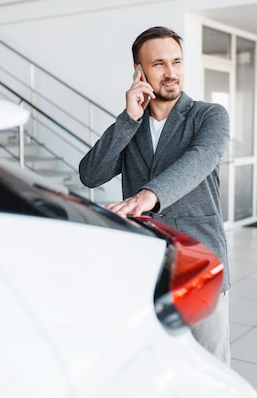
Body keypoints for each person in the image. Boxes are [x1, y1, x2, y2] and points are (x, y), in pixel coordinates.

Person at [78, 26, 231, 365]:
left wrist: (149, 195)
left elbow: (200, 159)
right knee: (156, 362)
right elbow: (90, 174)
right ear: (139, 70)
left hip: (198, 260)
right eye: (159, 63)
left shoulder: (209, 115)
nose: (171, 72)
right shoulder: (131, 126)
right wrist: (129, 117)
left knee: (210, 364)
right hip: (145, 261)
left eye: (176, 61)